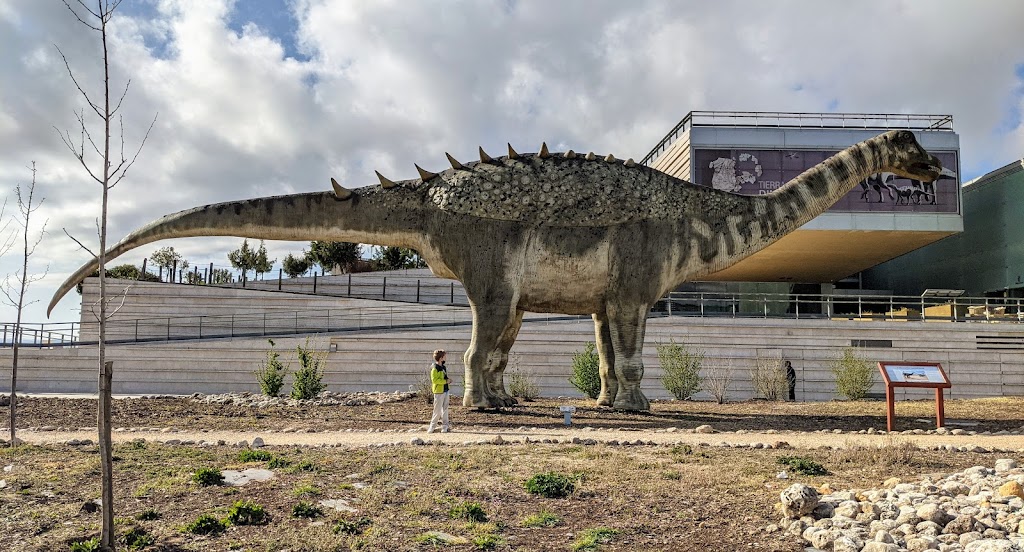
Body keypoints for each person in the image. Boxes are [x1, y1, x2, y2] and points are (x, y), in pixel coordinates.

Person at [427, 349, 451, 433]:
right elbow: (435, 380)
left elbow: (444, 377)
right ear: (441, 358)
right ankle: (432, 426)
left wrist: (447, 380)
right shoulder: (434, 368)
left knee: (445, 408)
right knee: (437, 410)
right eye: (444, 356)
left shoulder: (443, 367)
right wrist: (445, 381)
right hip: (438, 391)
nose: (445, 357)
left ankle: (445, 426)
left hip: (445, 390)